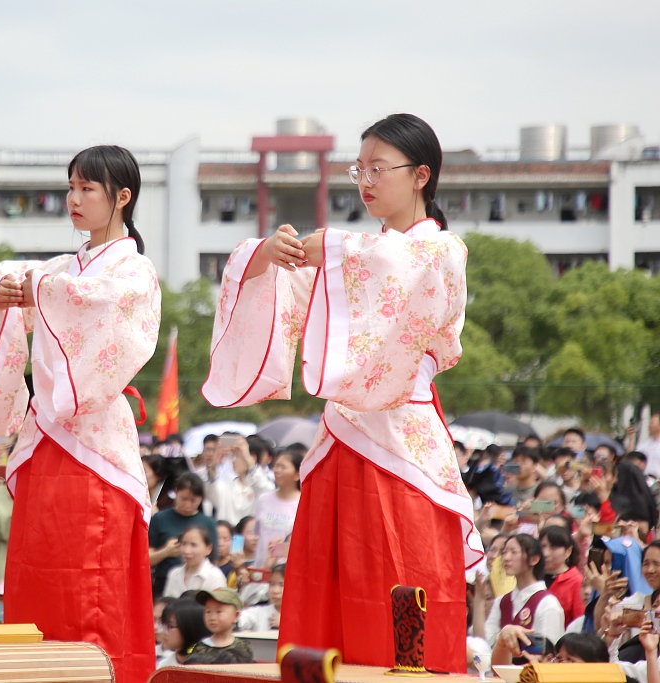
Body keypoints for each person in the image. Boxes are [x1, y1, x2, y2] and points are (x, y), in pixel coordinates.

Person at [202, 113, 480, 673]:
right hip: (341, 441)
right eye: (361, 168)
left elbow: (377, 263)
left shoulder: (441, 250)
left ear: (421, 174)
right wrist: (269, 255)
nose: (366, 181)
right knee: (326, 593)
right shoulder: (351, 260)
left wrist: (321, 249)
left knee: (403, 589)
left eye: (380, 168)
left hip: (403, 447)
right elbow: (298, 280)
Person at [0, 145, 161, 683]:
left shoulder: (134, 270)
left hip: (98, 444)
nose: (74, 200)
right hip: (45, 438)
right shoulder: (64, 269)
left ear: (121, 197)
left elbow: (95, 298)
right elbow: (0, 280)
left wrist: (35, 287)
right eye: (72, 188)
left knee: (92, 584)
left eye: (88, 189)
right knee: (37, 574)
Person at [487, 534, 565, 665]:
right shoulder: (502, 602)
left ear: (534, 559)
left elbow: (550, 653)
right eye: (504, 552)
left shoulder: (547, 603)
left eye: (514, 552)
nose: (506, 558)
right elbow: (488, 642)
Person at [149, 473, 219, 598]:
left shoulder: (207, 522)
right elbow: (146, 558)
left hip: (199, 582)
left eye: (193, 501)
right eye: (184, 498)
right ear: (176, 493)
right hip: (165, 580)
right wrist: (165, 552)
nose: (188, 505)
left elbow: (214, 558)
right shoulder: (160, 518)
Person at [206, 435, 274, 526]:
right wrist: (212, 465)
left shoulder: (260, 486)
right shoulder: (225, 487)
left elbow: (266, 490)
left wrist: (246, 455)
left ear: (252, 457)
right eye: (233, 456)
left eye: (237, 456)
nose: (233, 461)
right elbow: (211, 490)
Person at [252, 451, 301, 567]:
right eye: (276, 466)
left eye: (283, 467)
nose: (277, 470)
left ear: (297, 475)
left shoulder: (303, 504)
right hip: (261, 569)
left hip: (286, 572)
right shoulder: (263, 500)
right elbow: (257, 535)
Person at [185, 588, 254, 664]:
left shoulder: (243, 647)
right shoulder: (199, 647)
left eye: (219, 612)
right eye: (208, 611)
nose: (212, 617)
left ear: (236, 616)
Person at [539, 525, 584, 628]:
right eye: (542, 546)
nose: (546, 553)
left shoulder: (576, 581)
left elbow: (579, 622)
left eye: (553, 548)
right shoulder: (533, 576)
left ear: (568, 551)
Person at [163, 526, 227, 598]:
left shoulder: (215, 576)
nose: (187, 551)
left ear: (209, 549)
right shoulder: (174, 574)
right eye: (184, 544)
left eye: (193, 545)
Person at [156, 598, 211, 669]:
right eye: (163, 624)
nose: (164, 631)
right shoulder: (163, 666)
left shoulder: (211, 665)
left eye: (170, 626)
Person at [238, 563, 284, 632]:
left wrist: (286, 624)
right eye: (272, 584)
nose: (275, 591)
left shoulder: (303, 618)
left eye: (282, 585)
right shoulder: (260, 612)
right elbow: (235, 619)